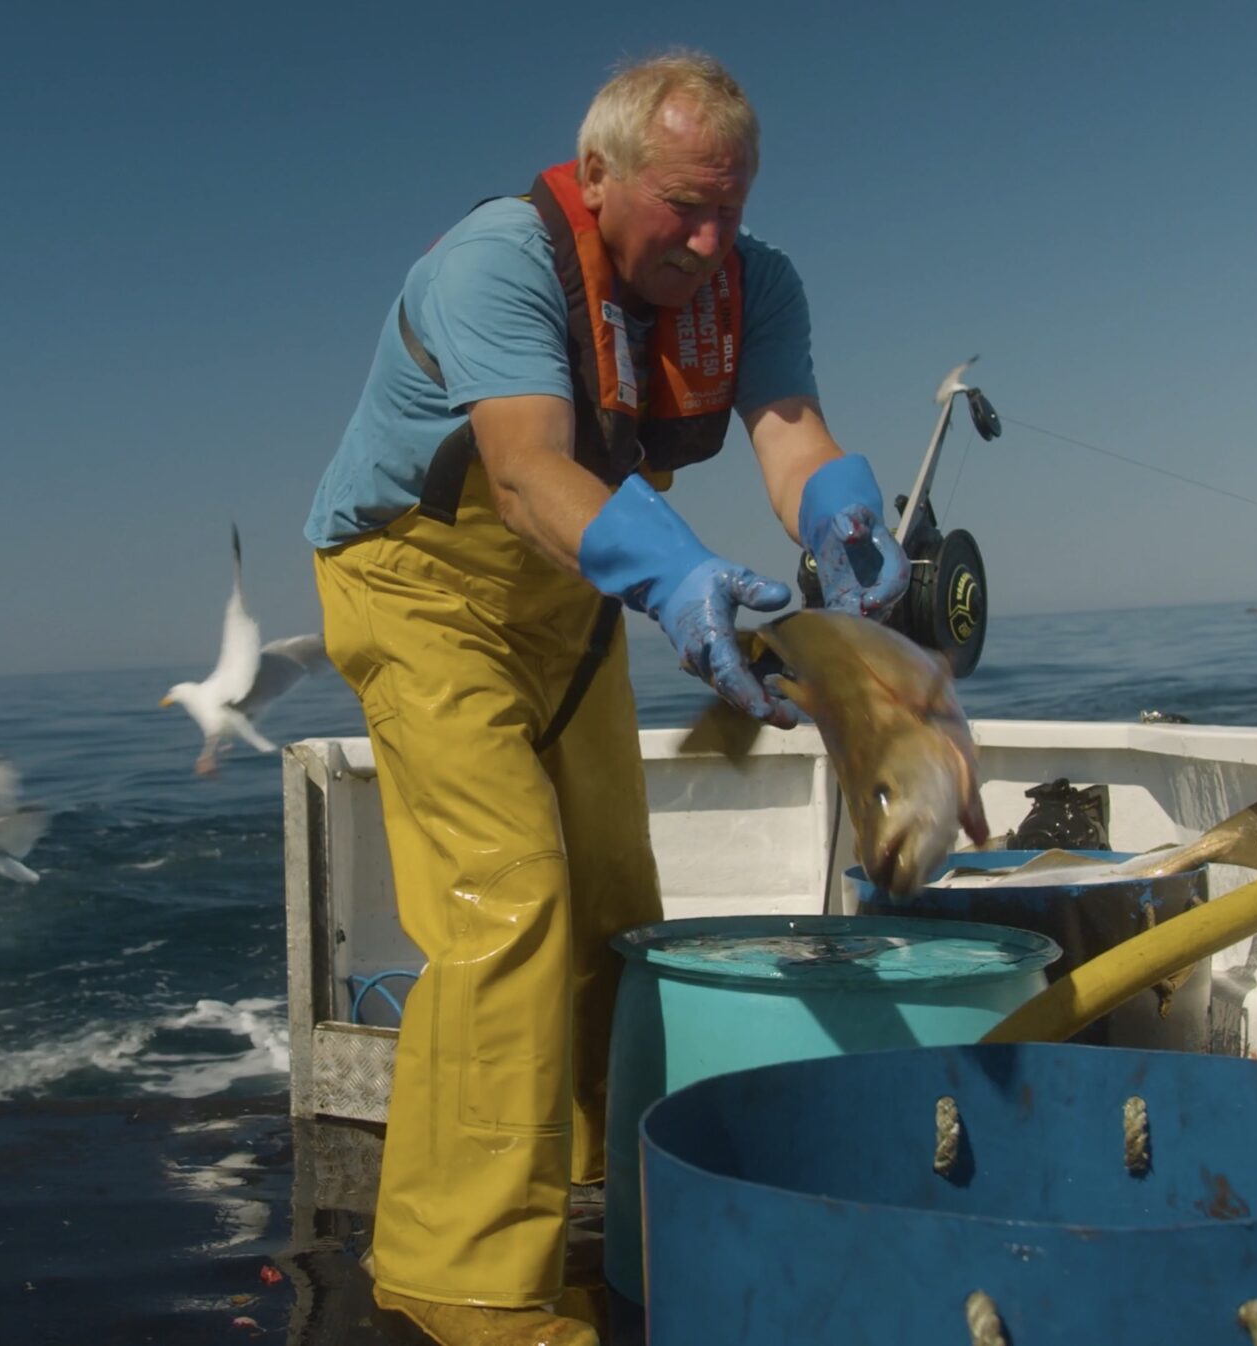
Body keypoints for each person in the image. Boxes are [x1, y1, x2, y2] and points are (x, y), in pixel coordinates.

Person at [304, 51, 909, 1346]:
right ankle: (456, 1275)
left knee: (619, 897)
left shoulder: (760, 286)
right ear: (597, 176)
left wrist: (841, 512)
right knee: (507, 896)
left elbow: (788, 427)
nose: (708, 239)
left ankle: (588, 1175)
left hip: (566, 602)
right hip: (415, 582)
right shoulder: (497, 263)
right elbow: (526, 474)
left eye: (731, 210)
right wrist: (682, 577)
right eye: (684, 205)